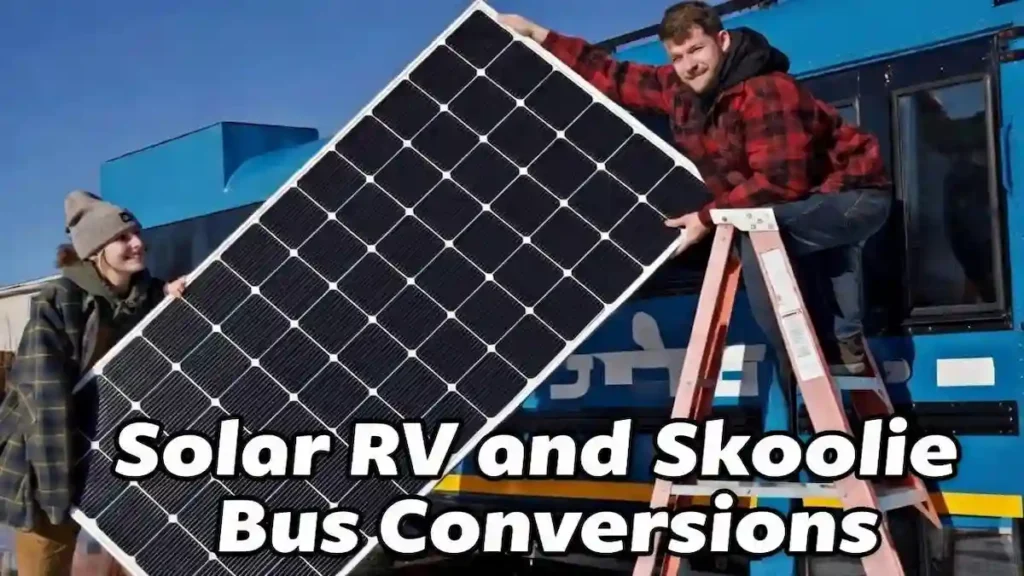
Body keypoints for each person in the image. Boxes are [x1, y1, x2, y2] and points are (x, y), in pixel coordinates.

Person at [497, 2, 893, 377]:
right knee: (775, 231)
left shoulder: (766, 91)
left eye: (695, 50)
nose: (688, 65)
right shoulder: (680, 90)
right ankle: (842, 343)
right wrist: (538, 33)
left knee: (757, 236)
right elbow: (613, 76)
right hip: (807, 197)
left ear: (721, 41)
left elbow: (779, 181)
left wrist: (706, 217)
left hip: (855, 195)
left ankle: (803, 360)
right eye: (677, 57)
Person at [0, 190, 186, 576]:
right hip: (44, 466)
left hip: (108, 459)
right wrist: (57, 495)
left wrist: (170, 297)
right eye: (121, 238)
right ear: (94, 250)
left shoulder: (142, 296)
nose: (136, 244)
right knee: (46, 564)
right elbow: (43, 400)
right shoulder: (60, 301)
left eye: (137, 235)